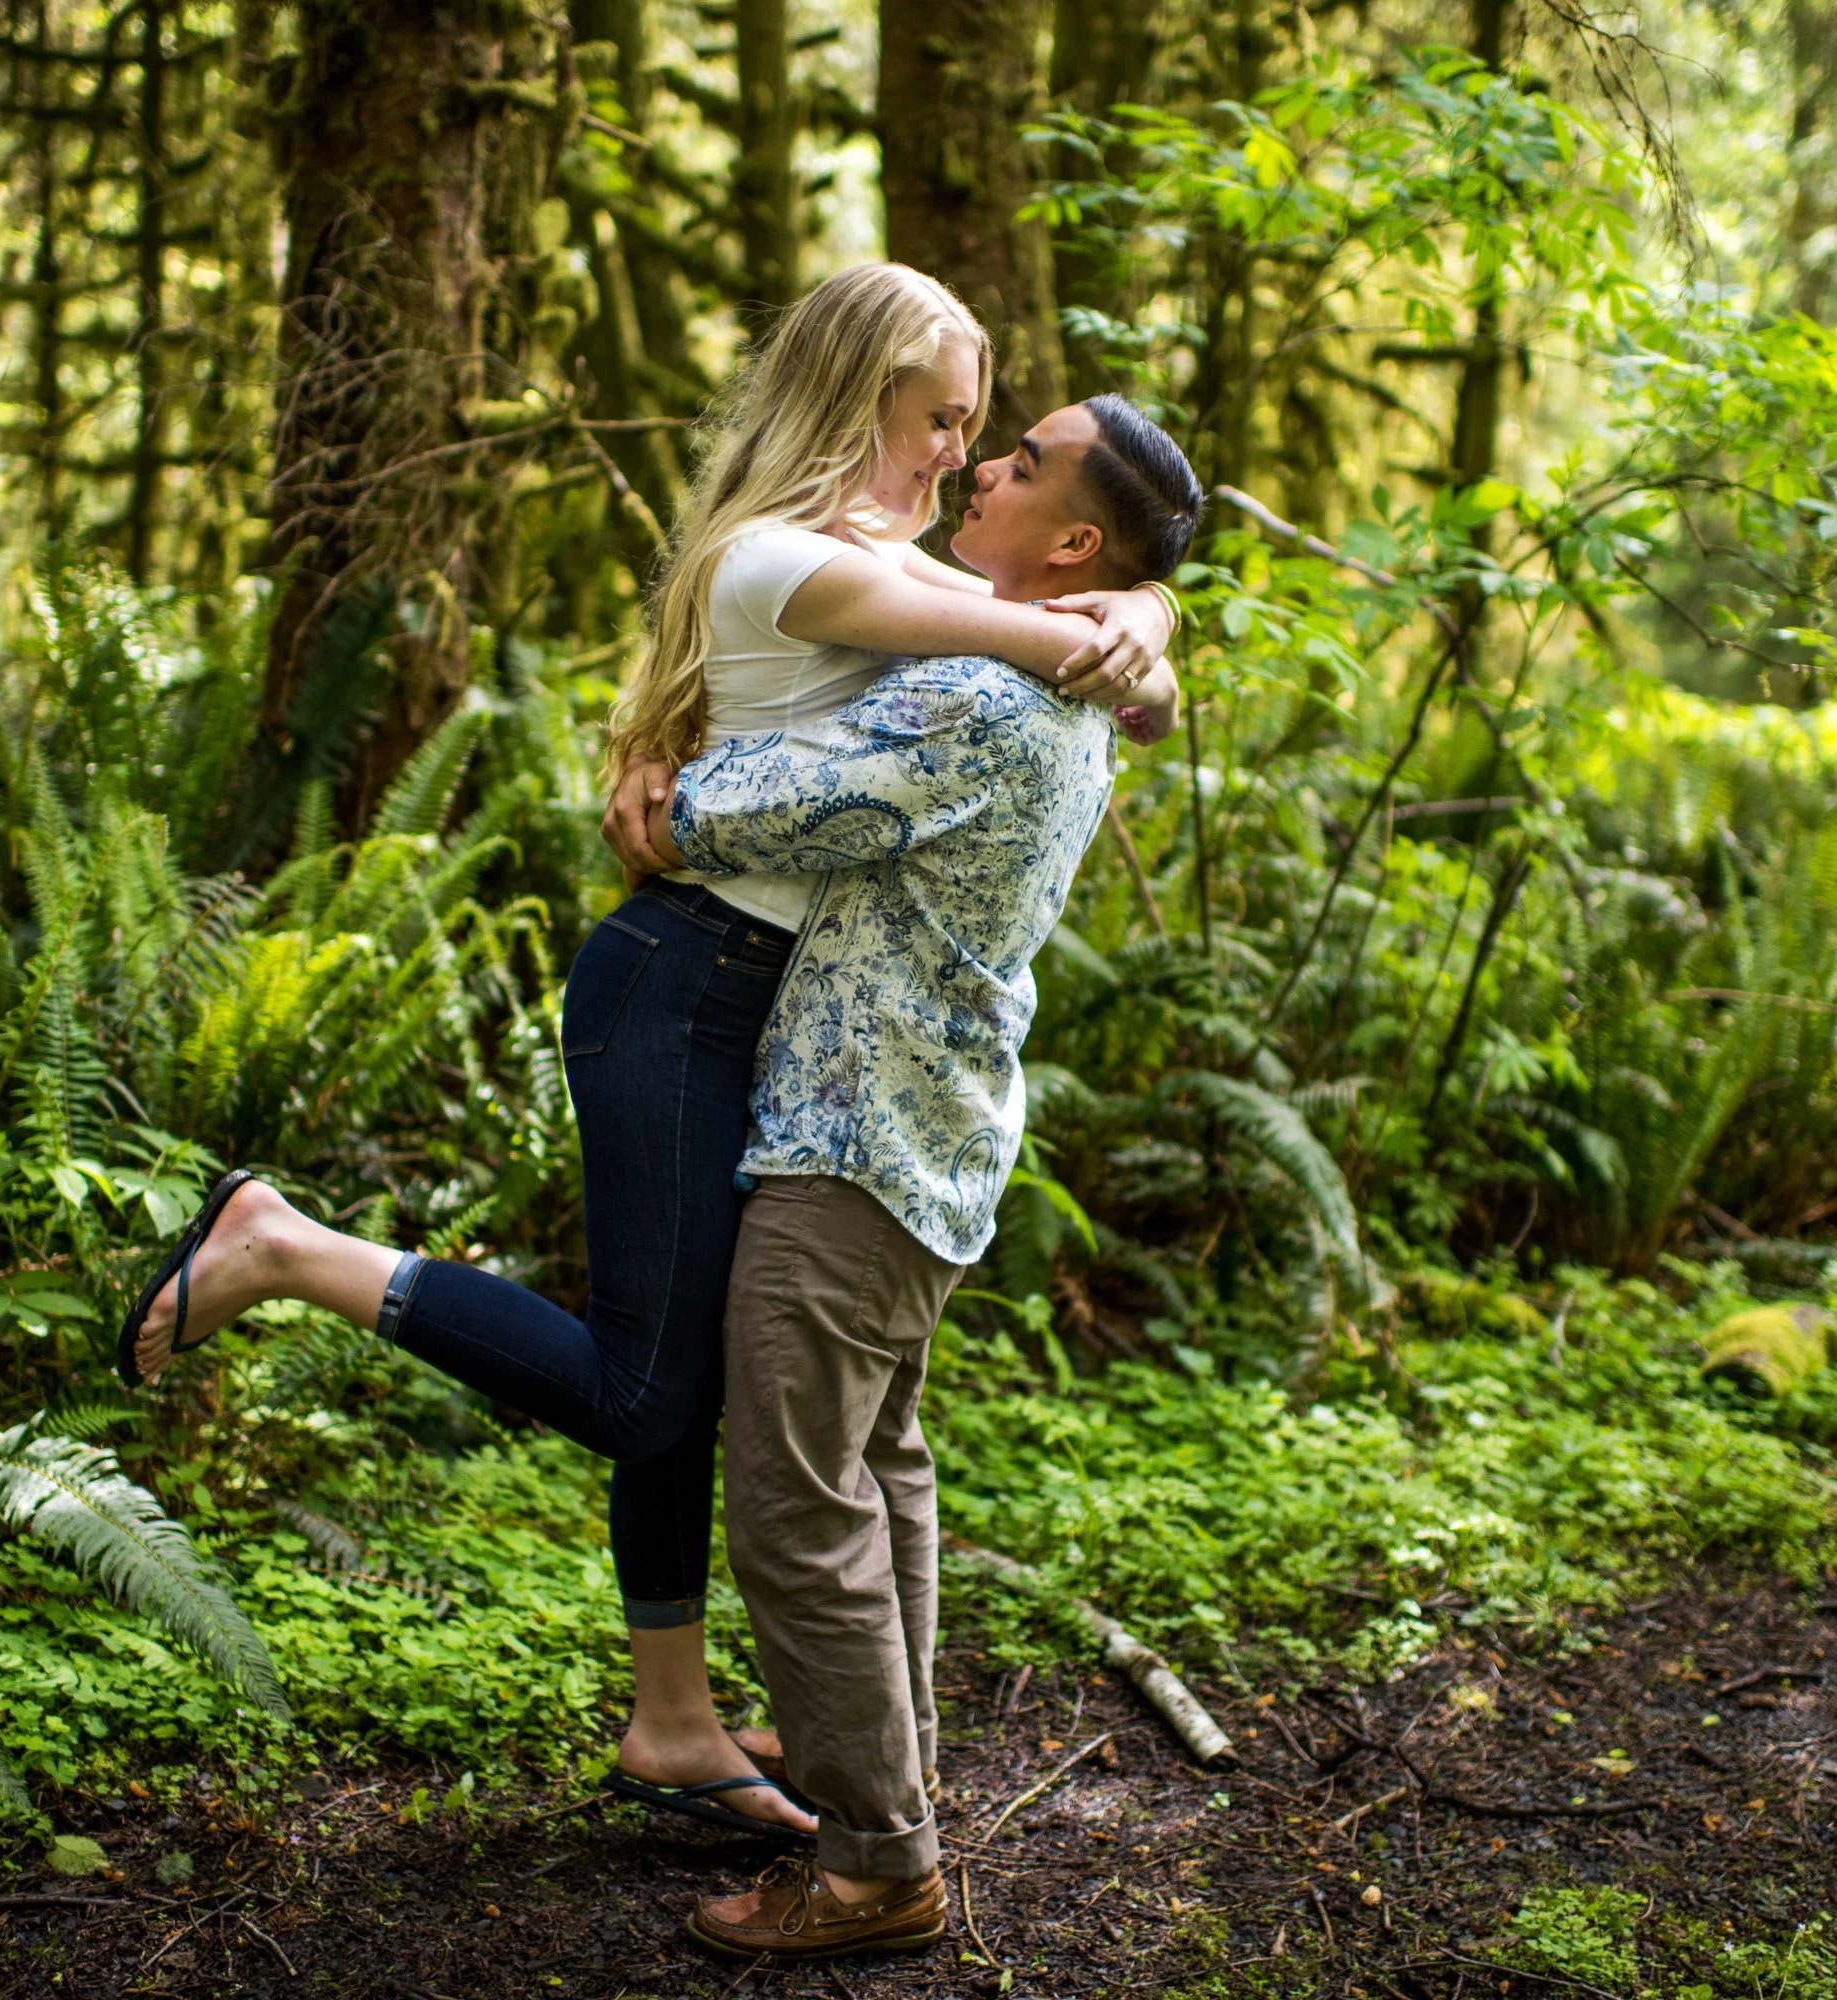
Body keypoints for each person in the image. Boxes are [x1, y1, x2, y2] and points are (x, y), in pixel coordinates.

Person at [114, 264, 1181, 1841]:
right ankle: (284, 1248)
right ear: (860, 395)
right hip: (684, 979)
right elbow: (1021, 647)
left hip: (767, 1001)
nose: (962, 458)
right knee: (642, 1387)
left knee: (677, 1384)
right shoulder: (794, 562)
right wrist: (1129, 627)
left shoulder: (890, 545)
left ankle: (675, 1717)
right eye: (946, 422)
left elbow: (1060, 628)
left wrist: (1148, 610)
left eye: (986, 436)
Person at [608, 394, 1206, 1960]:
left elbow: (745, 807)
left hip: (856, 1134)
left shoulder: (986, 702)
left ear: (1071, 540)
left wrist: (662, 777)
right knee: (883, 1470)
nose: (982, 468)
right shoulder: (1062, 677)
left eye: (1014, 464)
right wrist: (1147, 611)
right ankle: (877, 1774)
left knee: (800, 1498)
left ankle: (877, 1868)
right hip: (931, 1132)